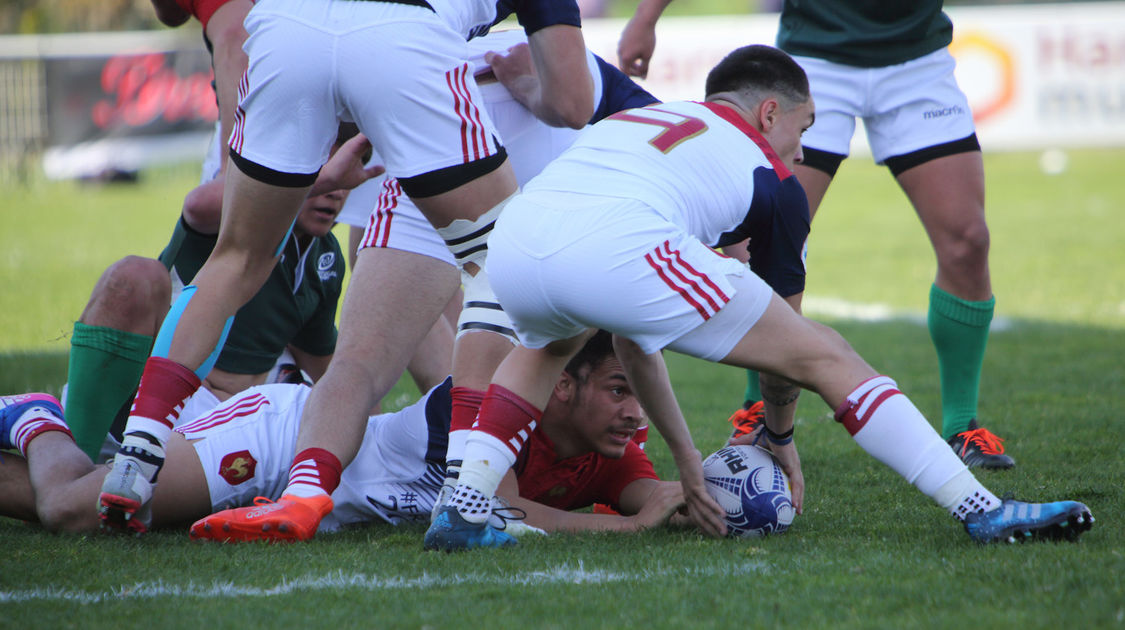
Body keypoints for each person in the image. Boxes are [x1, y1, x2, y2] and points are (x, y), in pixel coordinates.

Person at [422, 45, 1093, 551]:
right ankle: (981, 508)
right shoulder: (771, 178)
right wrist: (777, 436)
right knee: (830, 355)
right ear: (769, 112)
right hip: (613, 243)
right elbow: (788, 351)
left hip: (516, 239)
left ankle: (462, 508)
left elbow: (628, 329)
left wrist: (688, 461)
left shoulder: (657, 115)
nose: (800, 148)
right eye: (802, 130)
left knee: (547, 346)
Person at [189, 27, 660, 542]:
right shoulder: (547, 42)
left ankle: (302, 495)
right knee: (498, 358)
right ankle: (462, 505)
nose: (633, 416)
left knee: (366, 361)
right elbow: (573, 104)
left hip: (442, 135)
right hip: (485, 149)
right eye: (621, 394)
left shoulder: (417, 32)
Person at [616, 0, 1012, 470]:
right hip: (814, 57)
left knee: (969, 241)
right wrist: (646, 15)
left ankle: (962, 426)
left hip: (918, 57)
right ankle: (759, 411)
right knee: (755, 240)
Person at [0, 333, 684, 539]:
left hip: (306, 505)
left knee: (130, 524)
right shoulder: (485, 404)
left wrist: (717, 496)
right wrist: (631, 530)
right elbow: (498, 511)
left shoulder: (608, 448)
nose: (635, 416)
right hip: (286, 441)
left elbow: (657, 496)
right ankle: (36, 417)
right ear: (560, 385)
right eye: (620, 392)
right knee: (72, 509)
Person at [64, 130, 369, 463]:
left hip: (224, 434)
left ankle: (64, 464)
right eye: (326, 170)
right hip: (147, 407)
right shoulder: (236, 218)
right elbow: (197, 205)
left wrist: (370, 437)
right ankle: (74, 455)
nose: (335, 190)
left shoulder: (325, 259)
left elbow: (334, 369)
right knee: (135, 276)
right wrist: (315, 183)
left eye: (345, 174)